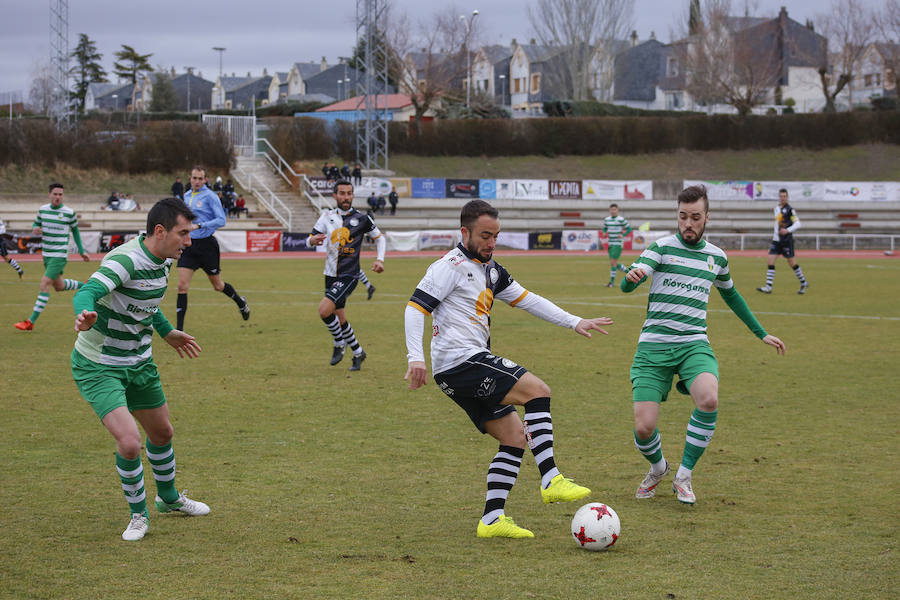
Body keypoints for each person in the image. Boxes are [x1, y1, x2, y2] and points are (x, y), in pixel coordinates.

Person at [404, 199, 613, 539]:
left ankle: (492, 520)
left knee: (515, 438)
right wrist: (416, 357)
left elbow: (528, 299)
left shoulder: (492, 270)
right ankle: (551, 478)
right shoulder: (449, 266)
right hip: (460, 362)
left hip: (460, 369)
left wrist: (574, 321)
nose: (491, 243)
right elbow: (415, 310)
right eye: (485, 236)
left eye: (496, 236)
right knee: (537, 390)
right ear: (464, 232)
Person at [621, 185, 785, 505]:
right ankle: (659, 468)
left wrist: (760, 333)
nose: (688, 224)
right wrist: (632, 279)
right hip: (653, 348)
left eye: (695, 217)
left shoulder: (717, 257)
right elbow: (632, 282)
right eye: (683, 217)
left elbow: (732, 295)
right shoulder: (661, 248)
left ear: (706, 218)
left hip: (694, 344)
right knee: (644, 428)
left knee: (709, 399)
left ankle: (684, 475)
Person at [72, 198, 210, 542]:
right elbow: (88, 290)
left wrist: (167, 332)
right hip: (100, 366)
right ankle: (138, 515)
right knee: (131, 442)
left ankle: (169, 497)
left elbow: (145, 305)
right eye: (183, 234)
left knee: (162, 434)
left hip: (140, 362)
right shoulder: (125, 260)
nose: (189, 242)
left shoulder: (164, 259)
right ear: (160, 231)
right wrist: (85, 313)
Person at [306, 179, 385, 371]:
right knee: (340, 319)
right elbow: (310, 238)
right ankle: (358, 352)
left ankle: (339, 343)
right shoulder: (326, 217)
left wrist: (380, 259)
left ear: (353, 195)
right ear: (335, 196)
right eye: (342, 193)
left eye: (349, 193)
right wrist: (312, 241)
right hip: (330, 274)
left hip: (350, 276)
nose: (346, 197)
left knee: (324, 311)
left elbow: (380, 238)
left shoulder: (363, 219)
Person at [176, 166, 250, 330]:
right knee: (182, 286)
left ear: (205, 180)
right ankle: (179, 330)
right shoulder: (186, 196)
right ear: (190, 178)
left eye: (200, 179)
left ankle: (240, 302)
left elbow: (221, 220)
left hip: (207, 245)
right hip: (188, 245)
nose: (196, 181)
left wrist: (200, 225)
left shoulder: (210, 196)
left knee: (218, 286)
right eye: (194, 178)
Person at [15, 183, 90, 331]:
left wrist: (82, 251)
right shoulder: (43, 210)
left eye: (60, 194)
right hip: (47, 255)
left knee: (45, 283)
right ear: (49, 195)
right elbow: (36, 225)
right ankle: (86, 286)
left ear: (63, 196)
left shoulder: (69, 212)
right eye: (55, 194)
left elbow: (75, 232)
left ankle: (30, 322)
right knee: (59, 286)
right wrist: (35, 229)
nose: (58, 197)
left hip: (59, 254)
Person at [756, 188, 808, 295]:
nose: (782, 198)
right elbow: (777, 224)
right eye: (781, 196)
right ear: (779, 197)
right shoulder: (776, 209)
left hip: (786, 241)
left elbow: (798, 224)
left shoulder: (790, 210)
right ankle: (768, 287)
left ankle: (803, 282)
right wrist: (775, 235)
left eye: (784, 196)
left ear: (787, 197)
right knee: (770, 260)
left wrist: (787, 230)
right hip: (776, 240)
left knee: (792, 262)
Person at [603, 203, 631, 287]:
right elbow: (604, 228)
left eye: (614, 209)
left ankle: (611, 282)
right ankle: (628, 272)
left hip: (618, 243)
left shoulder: (621, 219)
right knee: (613, 263)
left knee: (613, 262)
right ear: (609, 210)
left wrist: (623, 235)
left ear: (617, 210)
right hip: (610, 243)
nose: (613, 211)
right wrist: (604, 232)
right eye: (611, 210)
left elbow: (629, 228)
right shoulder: (607, 220)